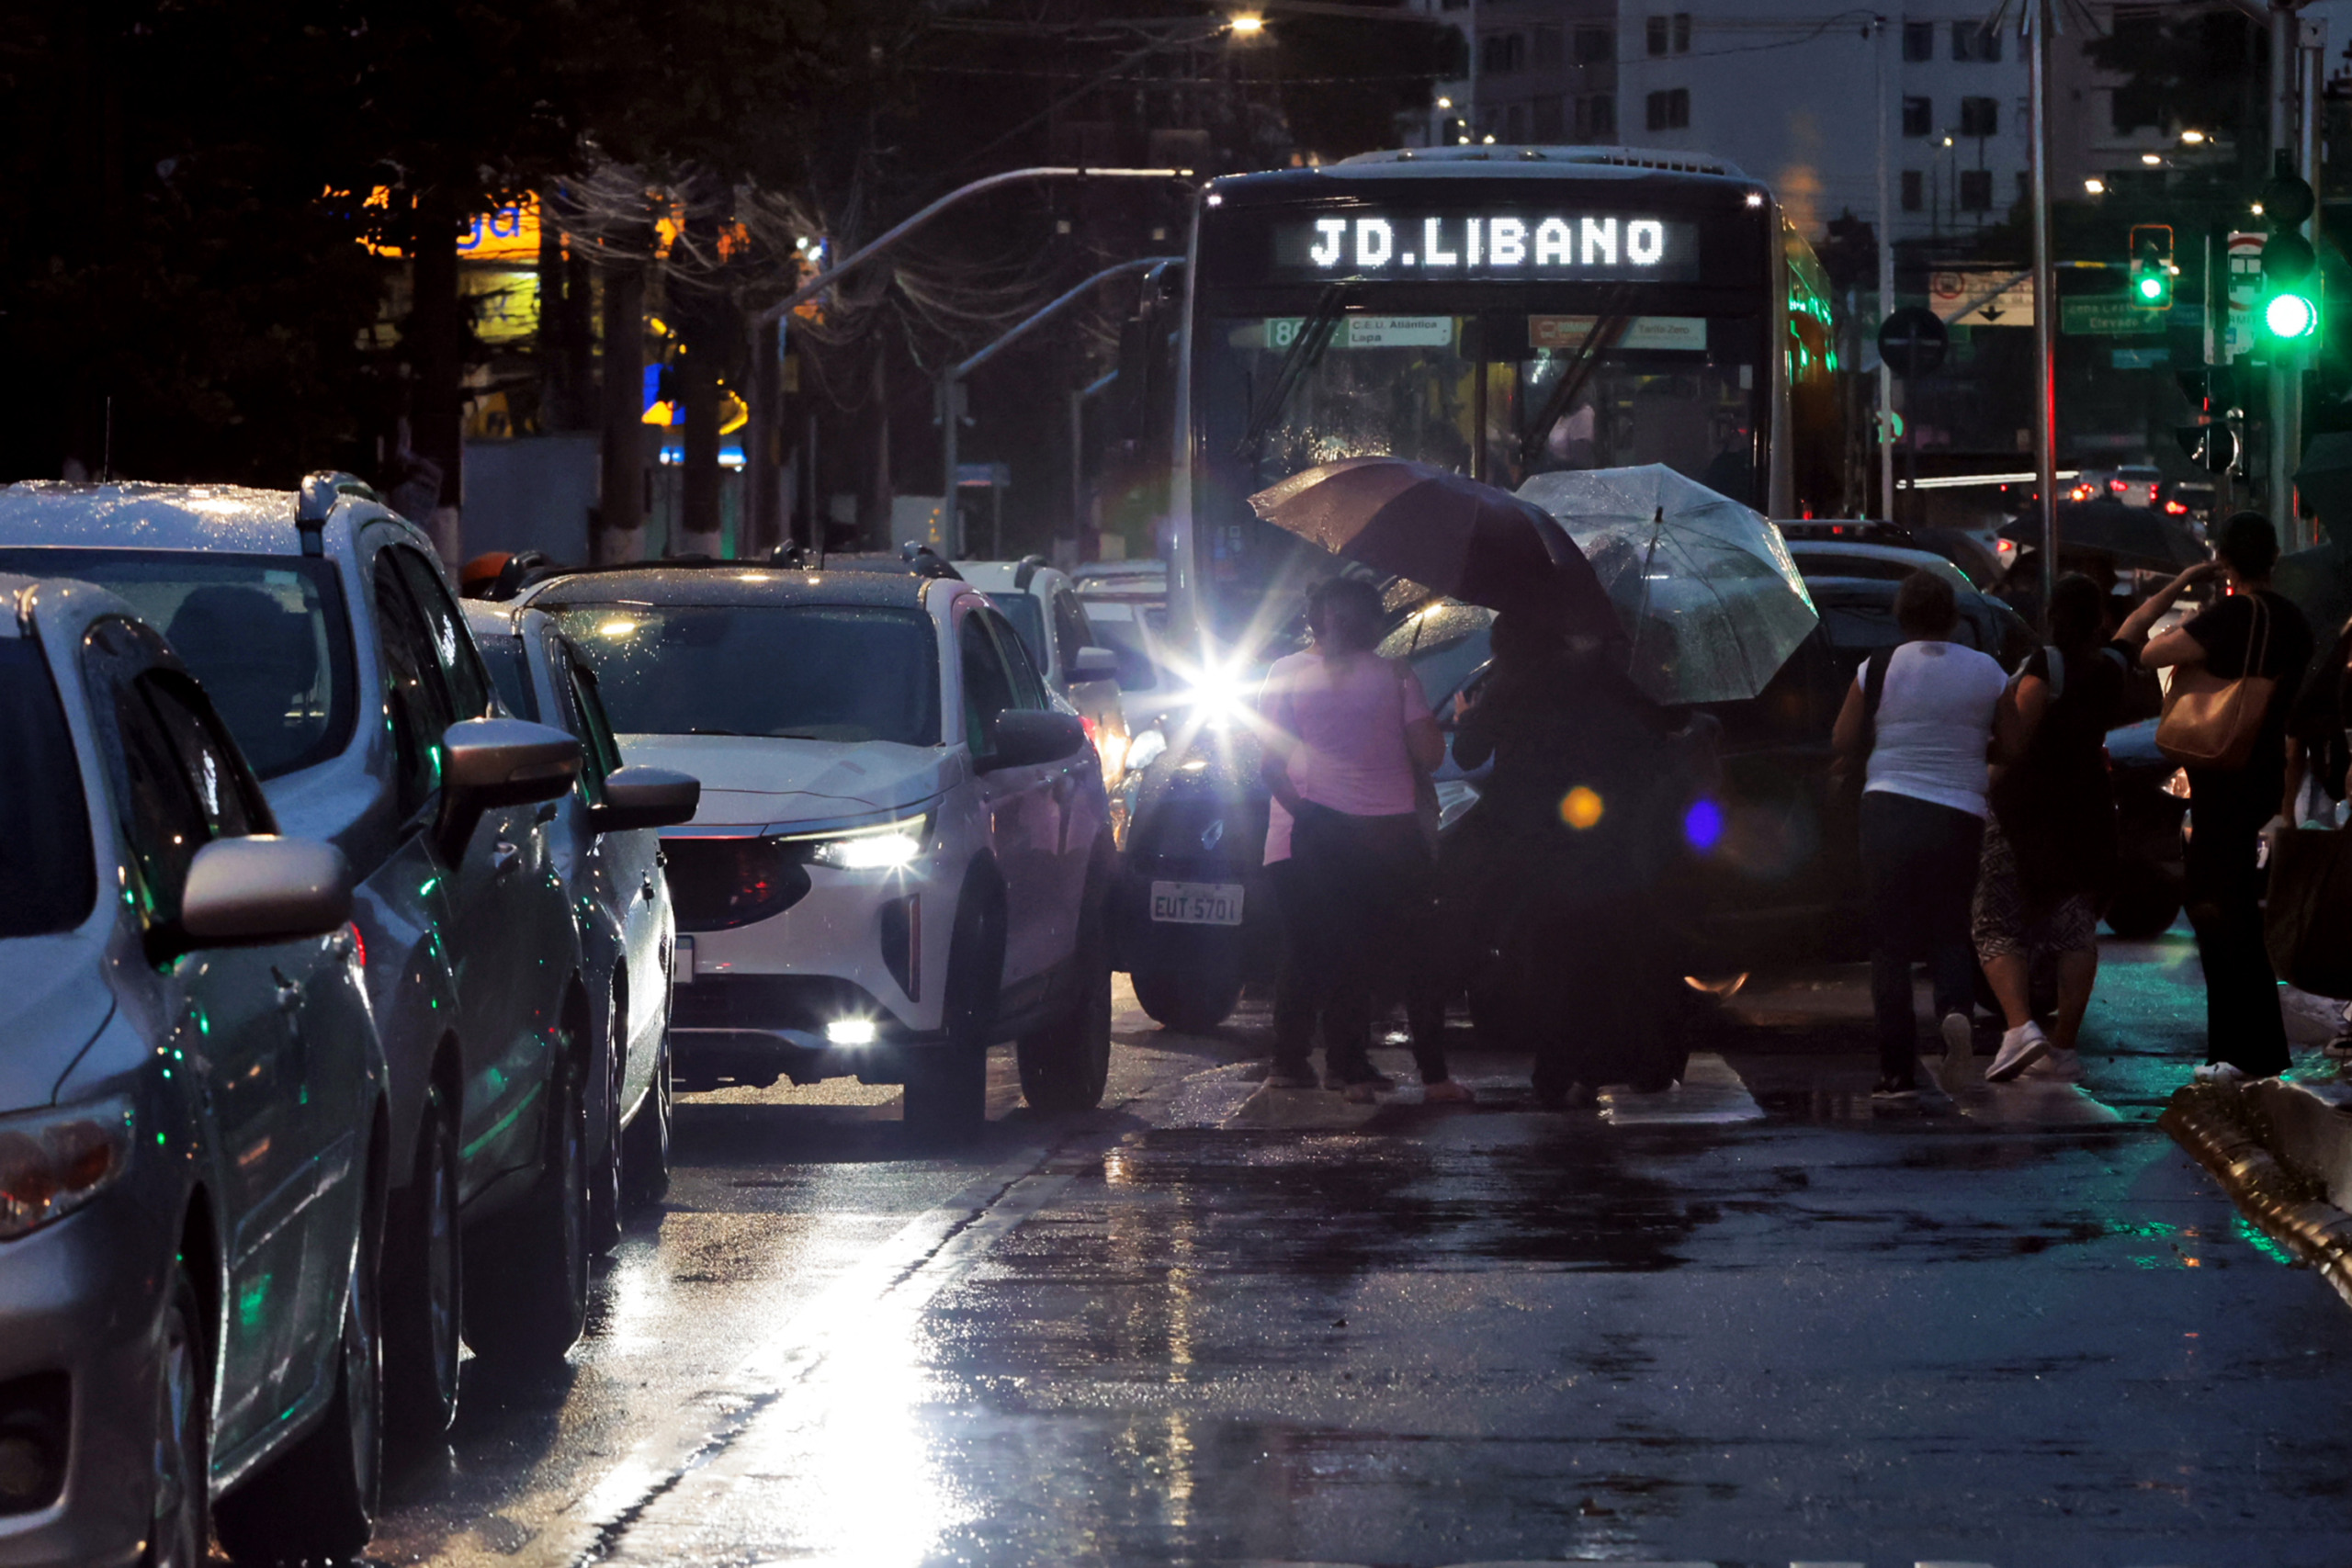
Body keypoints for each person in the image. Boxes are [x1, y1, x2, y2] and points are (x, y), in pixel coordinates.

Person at [1451, 609, 1683, 1107]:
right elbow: (1651, 737)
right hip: (1608, 835)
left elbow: (1469, 752)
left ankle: (1559, 1070)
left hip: (1538, 841)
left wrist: (1467, 716)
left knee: (1551, 959)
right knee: (1610, 953)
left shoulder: (1511, 683)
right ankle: (1636, 1061)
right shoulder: (1602, 672)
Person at [1259, 578, 1467, 1102]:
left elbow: (1268, 763)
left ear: (1318, 618)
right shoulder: (1395, 674)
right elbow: (1430, 755)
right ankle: (1422, 1074)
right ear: (1373, 623)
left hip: (1319, 832)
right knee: (1412, 953)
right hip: (1391, 832)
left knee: (1324, 948)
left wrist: (1306, 815)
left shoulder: (1285, 674)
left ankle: (1333, 1066)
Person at [2129, 513, 2315, 1083]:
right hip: (2261, 772)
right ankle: (2246, 1050)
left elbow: (2146, 651)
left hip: (2222, 777)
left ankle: (2239, 1052)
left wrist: (2186, 584)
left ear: (2226, 561)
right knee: (2229, 907)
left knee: (2216, 909)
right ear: (2276, 558)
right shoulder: (2294, 622)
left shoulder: (2231, 616)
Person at [1832, 570, 2013, 1100]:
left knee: (1889, 945)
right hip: (1958, 812)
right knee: (1950, 927)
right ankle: (1955, 1009)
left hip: (1887, 808)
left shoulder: (1879, 667)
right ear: (1953, 618)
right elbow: (2016, 743)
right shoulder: (1987, 670)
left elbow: (1843, 738)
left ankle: (1896, 1074)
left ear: (1901, 616)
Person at [1977, 573, 2132, 1082]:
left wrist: (1981, 783)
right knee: (2075, 927)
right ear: (2099, 620)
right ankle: (2064, 1041)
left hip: (2030, 809)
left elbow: (2017, 739)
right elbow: (2136, 632)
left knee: (1998, 919)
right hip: (2086, 808)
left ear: (2052, 614)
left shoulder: (2046, 665)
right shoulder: (2110, 668)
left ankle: (2021, 1026)